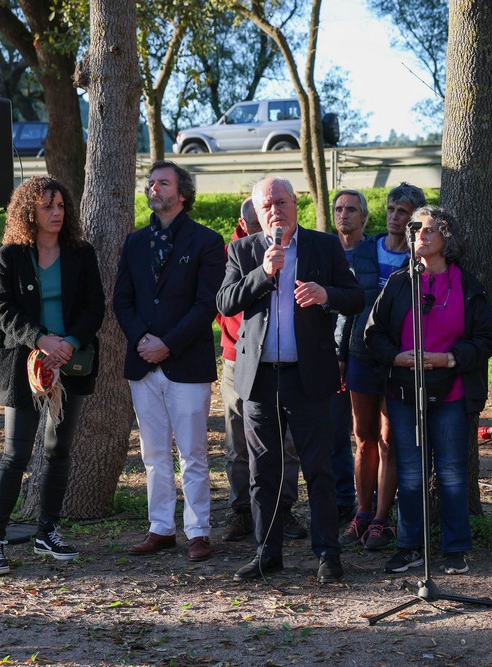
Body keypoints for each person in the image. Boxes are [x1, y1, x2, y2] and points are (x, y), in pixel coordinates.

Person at [216, 177, 363, 583]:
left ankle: (327, 554)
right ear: (256, 212)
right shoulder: (243, 250)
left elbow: (355, 297)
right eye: (266, 205)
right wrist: (263, 273)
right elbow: (225, 302)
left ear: (295, 204)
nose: (275, 211)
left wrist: (326, 294)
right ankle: (267, 553)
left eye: (281, 202)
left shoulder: (323, 246)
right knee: (263, 472)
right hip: (260, 378)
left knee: (318, 469)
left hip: (308, 376)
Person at [365, 206, 492, 575]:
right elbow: (373, 334)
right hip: (405, 392)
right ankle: (410, 547)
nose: (419, 236)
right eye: (415, 231)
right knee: (410, 473)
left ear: (446, 238)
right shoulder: (398, 283)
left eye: (427, 230)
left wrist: (450, 359)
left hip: (452, 392)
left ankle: (455, 548)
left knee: (452, 472)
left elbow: (487, 337)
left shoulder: (467, 286)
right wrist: (396, 357)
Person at [0, 176, 105, 576]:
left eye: (60, 206)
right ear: (29, 212)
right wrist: (40, 339)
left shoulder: (80, 253)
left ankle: (46, 531)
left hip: (69, 363)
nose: (56, 213)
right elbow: (1, 308)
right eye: (47, 206)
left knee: (57, 449)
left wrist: (68, 342)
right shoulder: (10, 256)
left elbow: (94, 306)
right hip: (25, 366)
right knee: (16, 454)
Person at [114, 160, 225, 563]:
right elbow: (122, 299)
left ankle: (198, 531)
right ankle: (160, 528)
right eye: (151, 182)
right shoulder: (135, 242)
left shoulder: (206, 241)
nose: (154, 188)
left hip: (187, 364)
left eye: (163, 183)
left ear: (183, 193)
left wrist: (168, 344)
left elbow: (207, 304)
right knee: (153, 453)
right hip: (143, 362)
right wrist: (143, 339)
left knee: (193, 453)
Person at [340, 182, 426, 551]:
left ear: (415, 219)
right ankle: (361, 513)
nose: (395, 217)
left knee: (389, 441)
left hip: (398, 359)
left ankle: (380, 518)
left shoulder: (420, 258)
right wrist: (340, 353)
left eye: (403, 212)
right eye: (391, 209)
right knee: (364, 437)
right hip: (360, 355)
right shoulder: (364, 250)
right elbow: (347, 306)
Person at [217, 198, 305, 543]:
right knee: (238, 439)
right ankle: (241, 510)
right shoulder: (236, 251)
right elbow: (223, 303)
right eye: (256, 225)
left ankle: (284, 508)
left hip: (283, 359)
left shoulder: (294, 247)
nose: (267, 229)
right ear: (244, 224)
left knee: (287, 442)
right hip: (237, 357)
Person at [328, 189, 368, 526]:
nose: (344, 215)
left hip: (366, 351)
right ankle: (342, 499)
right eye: (339, 209)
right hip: (329, 354)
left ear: (363, 216)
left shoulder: (372, 253)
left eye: (351, 209)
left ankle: (374, 501)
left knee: (369, 433)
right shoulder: (324, 251)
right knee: (334, 428)